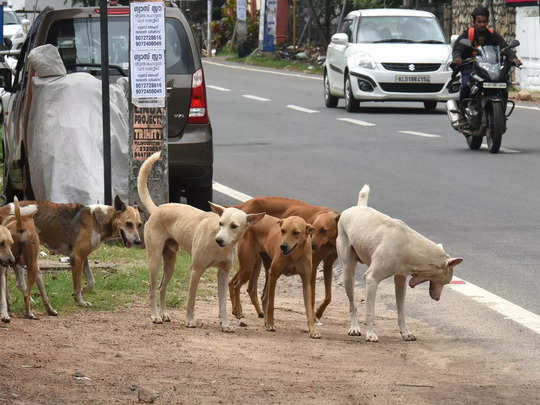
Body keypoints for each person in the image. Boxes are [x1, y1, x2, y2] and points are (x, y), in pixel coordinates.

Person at [452, 5, 522, 106]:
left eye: (484, 22)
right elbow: (458, 47)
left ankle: (501, 108)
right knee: (465, 85)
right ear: (474, 22)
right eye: (479, 22)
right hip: (471, 66)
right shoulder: (469, 34)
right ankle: (463, 111)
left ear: (488, 22)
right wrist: (457, 57)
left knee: (503, 85)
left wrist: (514, 58)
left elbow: (504, 47)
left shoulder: (492, 35)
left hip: (489, 66)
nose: (482, 24)